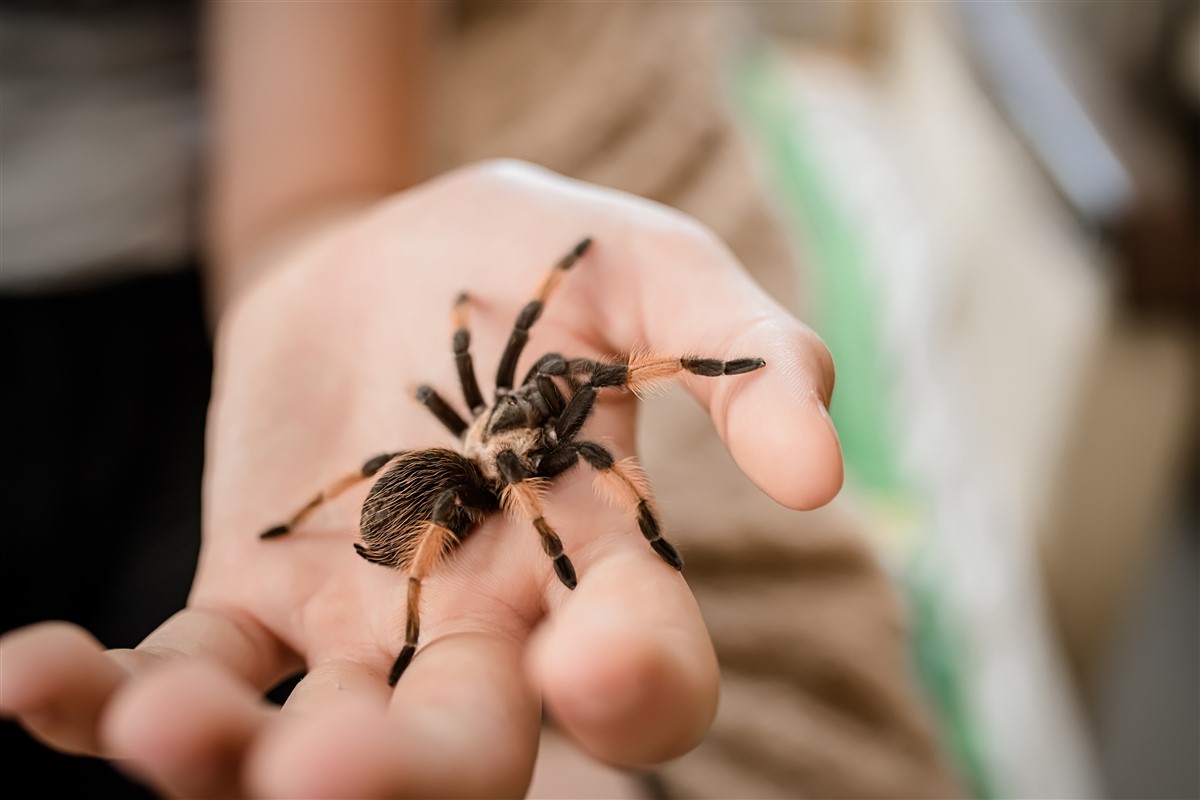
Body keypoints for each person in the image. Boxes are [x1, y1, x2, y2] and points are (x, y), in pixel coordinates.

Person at [2, 2, 956, 797]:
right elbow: (529, 456)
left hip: (207, 313)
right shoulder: (530, 462)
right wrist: (495, 567)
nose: (554, 405)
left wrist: (677, 356)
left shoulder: (507, 414)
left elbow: (499, 344)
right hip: (420, 479)